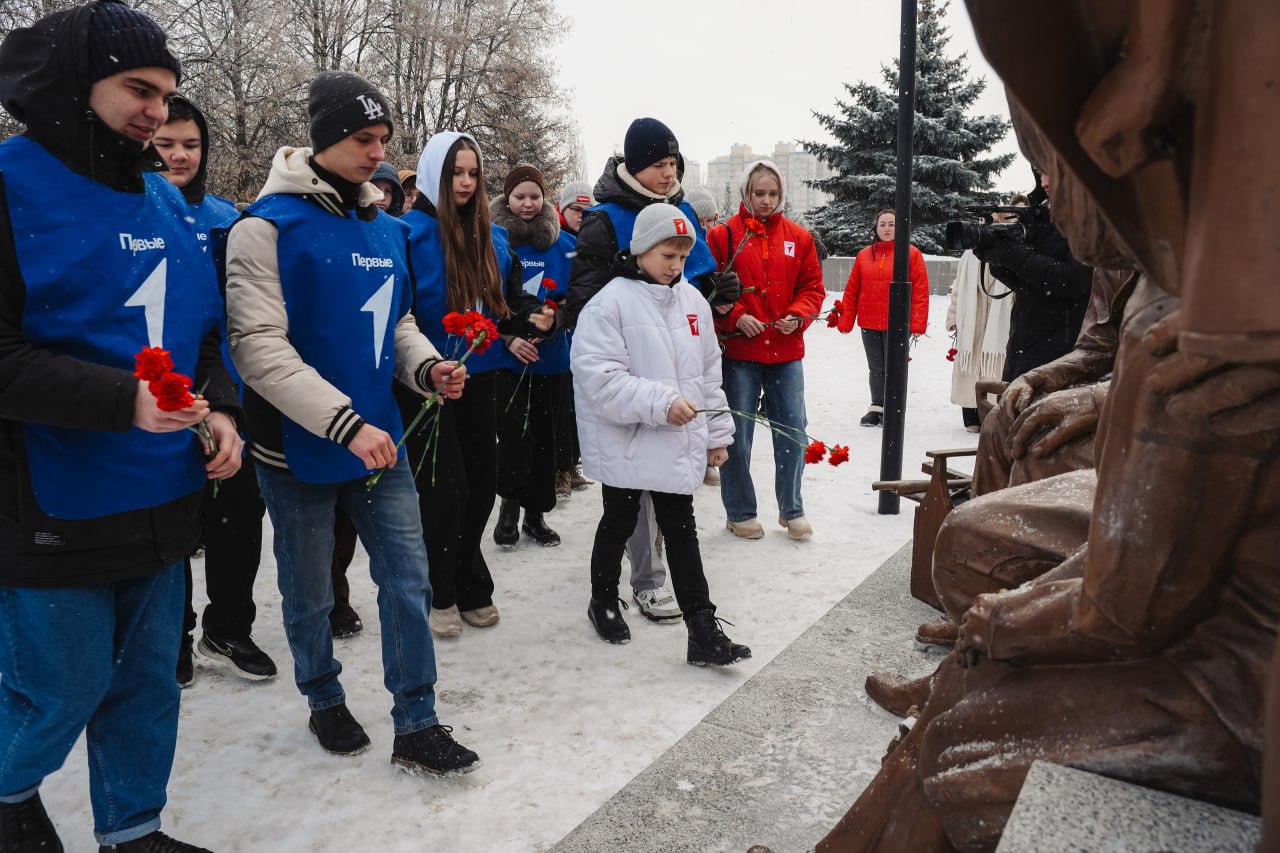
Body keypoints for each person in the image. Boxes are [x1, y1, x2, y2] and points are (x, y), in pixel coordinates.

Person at [0, 2, 242, 849]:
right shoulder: (9, 182)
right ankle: (7, 798)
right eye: (138, 89)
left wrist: (223, 410)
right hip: (53, 500)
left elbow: (207, 333)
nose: (157, 110)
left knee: (148, 683)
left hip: (165, 492)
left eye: (168, 93)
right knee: (57, 688)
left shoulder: (162, 198)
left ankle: (133, 828)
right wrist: (120, 401)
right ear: (75, 82)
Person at [224, 70, 480, 774]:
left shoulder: (386, 226)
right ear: (325, 138)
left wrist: (427, 369)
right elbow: (258, 349)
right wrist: (340, 423)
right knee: (308, 589)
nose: (378, 153)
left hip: (379, 441)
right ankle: (322, 695)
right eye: (363, 139)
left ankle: (417, 719)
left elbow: (394, 322)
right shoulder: (262, 228)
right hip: (296, 447)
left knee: (408, 579)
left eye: (384, 140)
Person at [562, 117, 741, 623]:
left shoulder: (682, 242)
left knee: (677, 519)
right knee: (622, 514)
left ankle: (702, 626)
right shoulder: (606, 237)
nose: (669, 172)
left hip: (677, 407)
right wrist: (653, 392)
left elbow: (703, 360)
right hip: (631, 406)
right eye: (659, 163)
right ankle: (614, 595)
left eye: (674, 163)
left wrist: (710, 295)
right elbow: (594, 336)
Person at [572, 204, 750, 666]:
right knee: (620, 521)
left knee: (682, 529)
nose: (676, 265)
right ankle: (604, 600)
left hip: (675, 437)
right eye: (668, 255)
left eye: (683, 256)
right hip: (629, 438)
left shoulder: (691, 301)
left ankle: (702, 628)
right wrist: (659, 402)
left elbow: (709, 374)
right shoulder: (609, 303)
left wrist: (717, 434)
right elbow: (600, 379)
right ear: (642, 250)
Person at [401, 132, 552, 637]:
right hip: (430, 381)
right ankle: (439, 586)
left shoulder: (494, 236)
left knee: (483, 483)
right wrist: (424, 364)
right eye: (454, 174)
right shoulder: (407, 232)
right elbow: (400, 316)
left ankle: (468, 573)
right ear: (432, 177)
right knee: (445, 490)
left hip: (483, 376)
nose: (464, 183)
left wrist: (535, 319)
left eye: (471, 173)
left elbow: (509, 305)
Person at [154, 95, 280, 687]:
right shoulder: (130, 215)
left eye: (191, 144)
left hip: (229, 391)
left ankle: (228, 628)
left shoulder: (226, 219)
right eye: (166, 143)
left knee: (237, 516)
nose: (180, 155)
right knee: (173, 527)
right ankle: (171, 636)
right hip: (157, 398)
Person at [709, 160, 826, 540]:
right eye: (759, 193)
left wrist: (799, 314)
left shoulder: (799, 237)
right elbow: (709, 289)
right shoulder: (724, 235)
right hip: (741, 353)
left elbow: (812, 288)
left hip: (786, 351)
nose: (766, 200)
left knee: (793, 430)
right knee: (737, 434)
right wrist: (737, 316)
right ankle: (740, 511)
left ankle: (792, 509)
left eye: (773, 194)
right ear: (746, 192)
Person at [489, 164, 573, 548]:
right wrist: (508, 338)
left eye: (534, 196)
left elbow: (577, 297)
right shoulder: (493, 243)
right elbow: (488, 300)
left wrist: (556, 323)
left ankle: (535, 516)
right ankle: (508, 509)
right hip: (508, 360)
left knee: (544, 440)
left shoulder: (564, 244)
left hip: (550, 359)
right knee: (513, 438)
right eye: (520, 196)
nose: (527, 203)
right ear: (507, 197)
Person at [974, 172, 1093, 381]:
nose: (1044, 182)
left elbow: (1075, 280)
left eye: (1050, 171)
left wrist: (1011, 254)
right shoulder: (1044, 216)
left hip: (1060, 360)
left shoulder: (1088, 217)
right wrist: (997, 259)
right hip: (1024, 349)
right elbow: (1029, 285)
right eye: (1040, 173)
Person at [836, 209, 930, 426]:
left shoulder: (911, 254)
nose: (887, 229)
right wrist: (846, 319)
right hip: (869, 322)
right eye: (883, 224)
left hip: (897, 323)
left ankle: (894, 409)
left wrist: (916, 322)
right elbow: (852, 290)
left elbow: (920, 290)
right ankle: (877, 407)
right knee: (876, 367)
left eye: (892, 224)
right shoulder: (864, 255)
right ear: (876, 228)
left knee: (895, 367)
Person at [553, 179, 595, 497]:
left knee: (579, 403)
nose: (581, 215)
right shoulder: (554, 240)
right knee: (561, 404)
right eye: (575, 209)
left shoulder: (594, 243)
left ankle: (572, 463)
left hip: (585, 335)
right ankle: (560, 468)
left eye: (586, 210)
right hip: (559, 334)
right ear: (562, 209)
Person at [945, 248, 1012, 431]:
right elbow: (958, 288)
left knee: (994, 363)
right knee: (970, 364)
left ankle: (990, 410)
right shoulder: (969, 255)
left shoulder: (1011, 251)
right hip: (971, 319)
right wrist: (952, 316)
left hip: (999, 320)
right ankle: (970, 411)